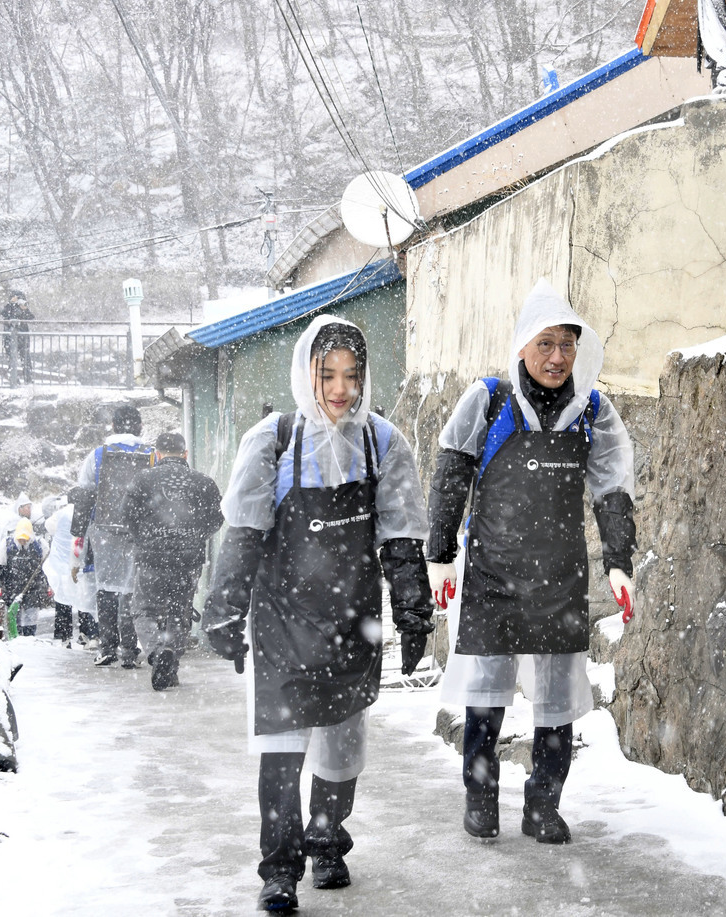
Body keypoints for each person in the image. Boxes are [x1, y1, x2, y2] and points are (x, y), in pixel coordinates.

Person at [201, 315, 433, 912]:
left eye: (352, 375)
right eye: (326, 374)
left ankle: (328, 839)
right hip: (281, 620)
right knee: (281, 752)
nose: (340, 388)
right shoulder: (272, 441)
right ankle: (279, 868)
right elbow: (245, 533)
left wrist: (412, 613)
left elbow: (401, 540)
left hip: (352, 618)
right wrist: (225, 610)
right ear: (307, 374)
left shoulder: (383, 444)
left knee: (341, 747)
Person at [426, 279, 638, 845]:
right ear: (523, 345)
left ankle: (543, 807)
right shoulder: (489, 400)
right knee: (485, 697)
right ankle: (481, 799)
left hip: (559, 579)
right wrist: (440, 552)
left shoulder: (592, 411)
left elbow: (613, 488)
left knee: (555, 706)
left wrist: (619, 560)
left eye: (567, 344)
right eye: (545, 343)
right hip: (493, 575)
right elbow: (452, 470)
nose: (557, 357)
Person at [118, 431, 223, 690]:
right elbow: (216, 518)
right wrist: (195, 537)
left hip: (152, 556)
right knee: (180, 612)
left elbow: (126, 515)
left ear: (157, 455)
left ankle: (155, 652)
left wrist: (143, 537)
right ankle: (171, 663)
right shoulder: (204, 482)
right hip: (188, 559)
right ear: (185, 454)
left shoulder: (143, 479)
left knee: (143, 610)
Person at [70, 404, 154, 668]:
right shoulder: (152, 455)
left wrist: (77, 544)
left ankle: (107, 647)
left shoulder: (97, 455)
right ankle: (130, 650)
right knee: (132, 589)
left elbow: (83, 499)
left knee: (105, 588)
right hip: (138, 533)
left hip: (104, 532)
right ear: (139, 427)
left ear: (114, 426)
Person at [42, 497, 97, 646]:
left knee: (62, 600)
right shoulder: (87, 512)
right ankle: (86, 633)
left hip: (60, 564)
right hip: (79, 562)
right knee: (83, 599)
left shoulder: (60, 514)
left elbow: (49, 527)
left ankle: (64, 636)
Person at [0, 518, 46, 636]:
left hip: (33, 587)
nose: (23, 541)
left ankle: (30, 637)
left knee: (31, 616)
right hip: (11, 587)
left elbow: (46, 568)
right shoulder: (7, 544)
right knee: (13, 616)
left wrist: (46, 584)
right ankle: (15, 637)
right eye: (20, 539)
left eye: (25, 538)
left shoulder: (39, 546)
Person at [0, 288, 35, 383]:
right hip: (9, 338)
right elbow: (3, 314)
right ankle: (14, 380)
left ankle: (28, 379)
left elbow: (31, 317)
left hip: (23, 338)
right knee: (11, 359)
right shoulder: (8, 308)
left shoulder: (23, 308)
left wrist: (25, 308)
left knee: (26, 359)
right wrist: (11, 304)